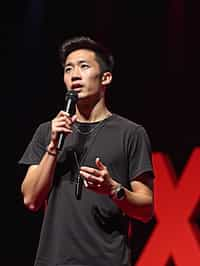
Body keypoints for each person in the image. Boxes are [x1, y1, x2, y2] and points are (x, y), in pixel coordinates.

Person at [19, 36, 154, 266]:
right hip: (53, 260)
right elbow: (31, 199)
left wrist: (113, 189)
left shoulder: (131, 133)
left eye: (84, 66)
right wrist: (53, 148)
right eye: (68, 69)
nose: (74, 75)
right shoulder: (48, 131)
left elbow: (146, 210)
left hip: (107, 260)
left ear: (106, 77)